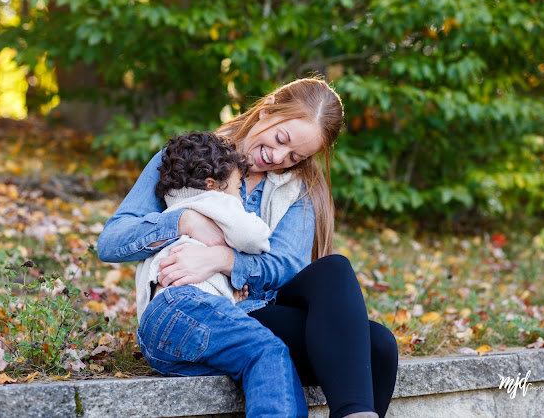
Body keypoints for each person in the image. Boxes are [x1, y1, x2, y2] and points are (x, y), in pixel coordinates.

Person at [98, 77, 399, 418]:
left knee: (376, 340)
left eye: (295, 156)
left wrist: (224, 259)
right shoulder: (190, 159)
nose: (278, 157)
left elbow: (286, 266)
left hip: (258, 308)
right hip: (197, 308)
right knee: (371, 348)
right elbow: (111, 241)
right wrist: (183, 222)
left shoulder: (296, 189)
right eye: (281, 139)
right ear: (267, 111)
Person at [135, 131, 308, 416]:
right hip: (184, 305)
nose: (240, 193)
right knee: (269, 351)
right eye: (239, 185)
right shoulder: (217, 201)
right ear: (213, 184)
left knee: (240, 358)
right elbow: (254, 237)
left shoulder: (171, 209)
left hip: (157, 336)